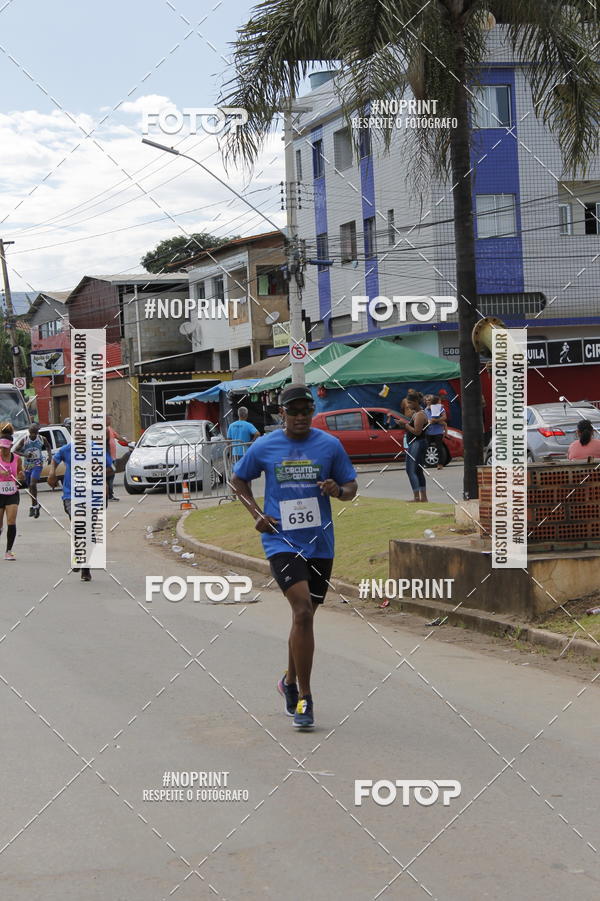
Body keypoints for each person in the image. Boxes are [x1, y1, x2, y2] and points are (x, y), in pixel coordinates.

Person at [231, 384, 357, 729]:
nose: (300, 417)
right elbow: (238, 481)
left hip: (320, 543)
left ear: (311, 412)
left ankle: (287, 680)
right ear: (281, 413)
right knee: (301, 610)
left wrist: (337, 490)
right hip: (281, 540)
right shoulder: (265, 445)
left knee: (305, 618)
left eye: (306, 410)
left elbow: (350, 488)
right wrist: (256, 513)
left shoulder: (329, 445)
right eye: (293, 411)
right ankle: (304, 697)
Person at [48, 440, 114, 582]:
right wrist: (52, 473)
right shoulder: (68, 448)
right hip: (71, 495)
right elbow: (55, 459)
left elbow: (110, 467)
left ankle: (85, 567)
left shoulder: (97, 449)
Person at [13, 423, 51, 518]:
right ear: (29, 432)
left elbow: (48, 446)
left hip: (38, 464)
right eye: (31, 433)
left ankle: (34, 506)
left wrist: (50, 456)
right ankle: (35, 505)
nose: (33, 435)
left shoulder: (42, 439)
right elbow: (15, 451)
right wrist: (25, 455)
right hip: (27, 465)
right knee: (30, 487)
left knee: (33, 484)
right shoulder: (25, 440)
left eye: (35, 433)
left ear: (37, 432)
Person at [0, 422, 24, 560]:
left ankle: (9, 551)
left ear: (10, 446)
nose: (3, 450)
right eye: (1, 447)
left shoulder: (17, 459)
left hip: (12, 493)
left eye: (5, 447)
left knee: (11, 521)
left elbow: (20, 474)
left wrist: (21, 475)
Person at [404, 405, 429, 502]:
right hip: (416, 443)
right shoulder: (418, 414)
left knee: (410, 470)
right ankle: (423, 497)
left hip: (417, 443)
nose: (408, 405)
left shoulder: (419, 415)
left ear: (415, 402)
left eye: (410, 402)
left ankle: (417, 497)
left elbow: (417, 432)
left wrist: (405, 425)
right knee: (418, 470)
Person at [424, 394, 447, 470]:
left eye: (430, 400)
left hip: (438, 431)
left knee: (439, 447)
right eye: (427, 400)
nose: (428, 402)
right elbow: (424, 420)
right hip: (428, 432)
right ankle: (423, 463)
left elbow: (444, 417)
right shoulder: (425, 410)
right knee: (425, 447)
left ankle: (440, 464)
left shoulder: (440, 408)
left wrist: (436, 420)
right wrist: (427, 422)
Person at [105, 414, 124, 501]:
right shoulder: (104, 431)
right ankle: (109, 495)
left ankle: (109, 494)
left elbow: (118, 437)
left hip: (112, 458)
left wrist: (127, 441)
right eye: (108, 419)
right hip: (108, 459)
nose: (110, 421)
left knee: (111, 476)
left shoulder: (110, 429)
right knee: (109, 476)